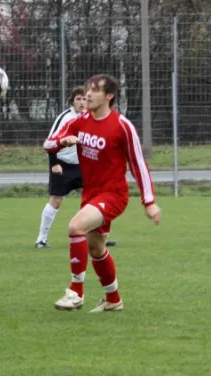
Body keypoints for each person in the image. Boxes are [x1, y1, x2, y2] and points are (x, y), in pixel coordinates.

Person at [43, 74, 161, 312]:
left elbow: (139, 164)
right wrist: (62, 142)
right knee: (96, 249)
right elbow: (48, 143)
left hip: (114, 195)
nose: (88, 94)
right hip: (91, 194)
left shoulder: (121, 126)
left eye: (95, 90)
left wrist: (149, 202)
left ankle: (75, 292)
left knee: (75, 227)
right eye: (87, 89)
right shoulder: (80, 120)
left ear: (109, 96)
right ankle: (113, 300)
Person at [36, 86, 116, 249]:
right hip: (63, 165)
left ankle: (99, 236)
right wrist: (54, 163)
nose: (82, 102)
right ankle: (41, 239)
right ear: (72, 101)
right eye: (78, 99)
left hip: (84, 165)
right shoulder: (66, 118)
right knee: (56, 200)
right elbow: (50, 142)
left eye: (84, 99)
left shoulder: (93, 117)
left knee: (100, 197)